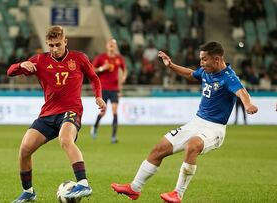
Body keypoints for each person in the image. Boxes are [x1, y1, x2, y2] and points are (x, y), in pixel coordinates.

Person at [111, 41, 258, 203]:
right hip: (196, 123)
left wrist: (248, 104)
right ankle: (134, 188)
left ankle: (177, 194)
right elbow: (191, 74)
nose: (201, 63)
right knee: (159, 149)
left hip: (214, 129)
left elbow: (242, 92)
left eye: (204, 59)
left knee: (192, 146)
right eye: (201, 59)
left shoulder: (229, 77)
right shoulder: (207, 71)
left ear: (217, 59)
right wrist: (171, 65)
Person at [7, 26, 107, 203]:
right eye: (51, 45)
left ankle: (83, 183)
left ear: (65, 41)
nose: (54, 49)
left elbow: (94, 77)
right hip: (48, 114)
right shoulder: (39, 60)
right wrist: (21, 65)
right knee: (24, 149)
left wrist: (98, 96)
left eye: (58, 44)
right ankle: (28, 192)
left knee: (65, 139)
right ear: (47, 44)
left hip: (71, 110)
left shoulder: (79, 58)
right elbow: (10, 72)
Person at [90, 38, 127, 143]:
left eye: (113, 44)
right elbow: (92, 69)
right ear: (107, 46)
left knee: (115, 111)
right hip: (103, 88)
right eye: (110, 44)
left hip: (114, 89)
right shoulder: (101, 58)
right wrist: (102, 68)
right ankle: (95, 127)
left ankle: (113, 137)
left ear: (115, 46)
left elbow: (124, 70)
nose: (111, 45)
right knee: (103, 112)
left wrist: (123, 77)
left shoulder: (119, 59)